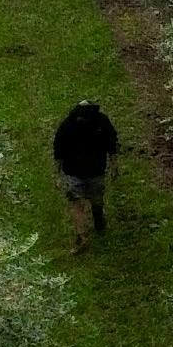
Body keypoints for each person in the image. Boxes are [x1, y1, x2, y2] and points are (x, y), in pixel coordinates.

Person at [53, 99, 120, 250]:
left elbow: (111, 142)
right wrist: (57, 174)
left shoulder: (101, 122)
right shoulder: (68, 125)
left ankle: (98, 217)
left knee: (96, 200)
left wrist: (114, 164)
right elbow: (58, 149)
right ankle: (81, 236)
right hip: (74, 173)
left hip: (96, 172)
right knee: (76, 202)